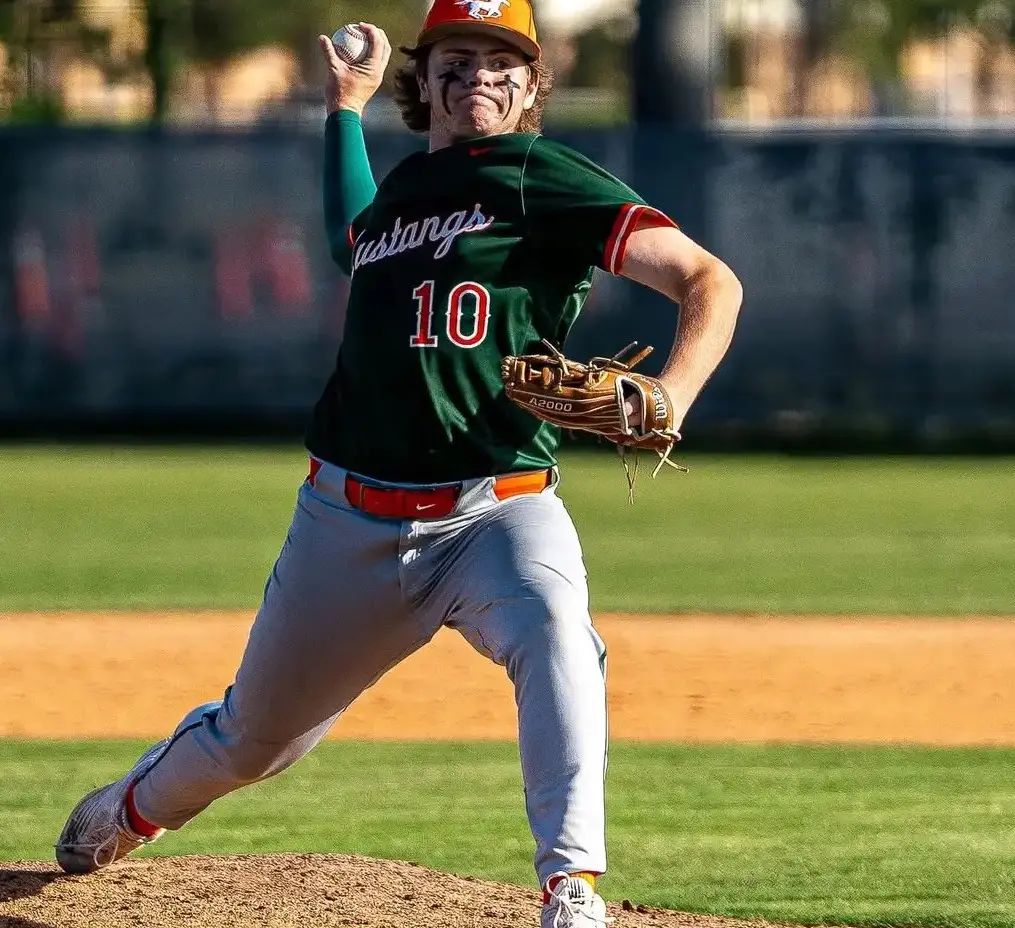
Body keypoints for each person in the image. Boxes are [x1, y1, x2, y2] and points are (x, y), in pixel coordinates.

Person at [53, 2, 743, 926]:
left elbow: (707, 279)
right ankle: (130, 809)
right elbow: (350, 237)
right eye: (457, 57)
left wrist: (674, 394)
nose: (479, 75)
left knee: (557, 638)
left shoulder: (542, 175)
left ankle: (570, 886)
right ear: (426, 80)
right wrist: (344, 106)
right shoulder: (410, 186)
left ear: (532, 83)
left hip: (496, 508)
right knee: (256, 741)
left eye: (501, 59)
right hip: (346, 521)